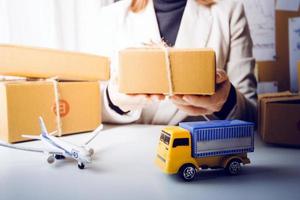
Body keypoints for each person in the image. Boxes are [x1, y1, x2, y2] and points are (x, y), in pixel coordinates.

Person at [96, 0, 257, 125]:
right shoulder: (111, 16)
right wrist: (113, 101)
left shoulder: (230, 12)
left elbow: (252, 115)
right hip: (129, 153)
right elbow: (92, 107)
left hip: (201, 150)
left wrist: (226, 102)